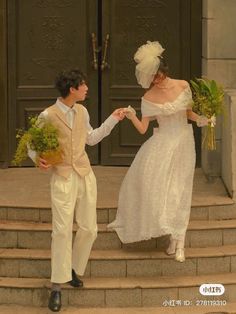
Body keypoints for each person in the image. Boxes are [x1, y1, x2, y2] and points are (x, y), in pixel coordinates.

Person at [30, 69, 125, 312]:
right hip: (62, 177)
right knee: (61, 231)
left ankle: (73, 268)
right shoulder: (47, 115)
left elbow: (91, 138)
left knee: (89, 228)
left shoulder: (82, 111)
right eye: (83, 85)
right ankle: (57, 286)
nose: (86, 88)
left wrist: (113, 119)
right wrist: (37, 158)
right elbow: (32, 143)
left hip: (84, 174)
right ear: (72, 89)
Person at [108, 41, 209, 263]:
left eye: (159, 76)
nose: (157, 80)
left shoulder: (183, 85)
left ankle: (179, 241)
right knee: (162, 191)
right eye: (153, 77)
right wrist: (132, 115)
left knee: (180, 190)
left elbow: (189, 114)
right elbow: (144, 128)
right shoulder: (148, 97)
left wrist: (203, 120)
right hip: (162, 143)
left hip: (183, 141)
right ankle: (171, 234)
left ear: (165, 71)